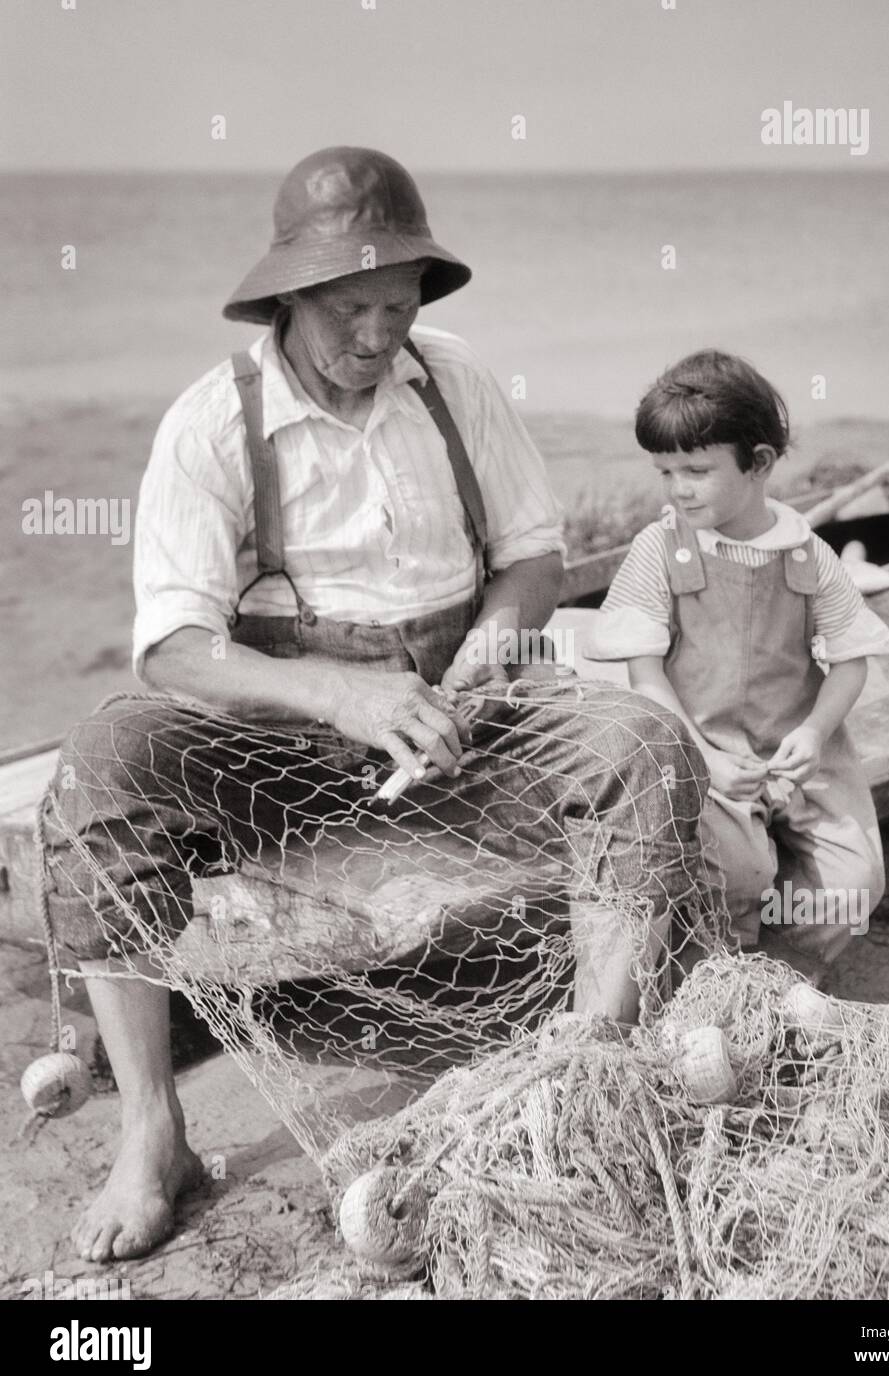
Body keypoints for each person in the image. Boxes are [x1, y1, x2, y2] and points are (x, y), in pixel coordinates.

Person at [41, 147, 708, 1263]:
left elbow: (532, 554)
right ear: (289, 295)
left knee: (642, 744)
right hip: (274, 746)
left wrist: (490, 652)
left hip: (460, 722)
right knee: (101, 761)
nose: (378, 332)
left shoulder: (453, 383)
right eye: (351, 307)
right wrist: (336, 692)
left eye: (397, 304)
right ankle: (154, 1136)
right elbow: (173, 647)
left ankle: (589, 1070)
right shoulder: (213, 422)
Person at [585, 349, 889, 976]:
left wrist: (813, 731)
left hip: (796, 752)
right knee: (741, 874)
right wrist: (705, 760)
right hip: (696, 747)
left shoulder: (807, 553)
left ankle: (779, 983)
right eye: (664, 471)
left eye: (696, 470)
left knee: (853, 885)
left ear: (760, 464)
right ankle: (714, 978)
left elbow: (853, 660)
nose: (677, 489)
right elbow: (645, 674)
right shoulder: (659, 550)